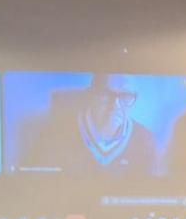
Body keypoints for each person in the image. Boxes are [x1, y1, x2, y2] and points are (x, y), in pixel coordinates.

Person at [23, 74, 159, 175]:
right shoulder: (55, 134)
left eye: (125, 96)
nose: (115, 105)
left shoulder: (145, 140)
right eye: (107, 94)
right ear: (91, 95)